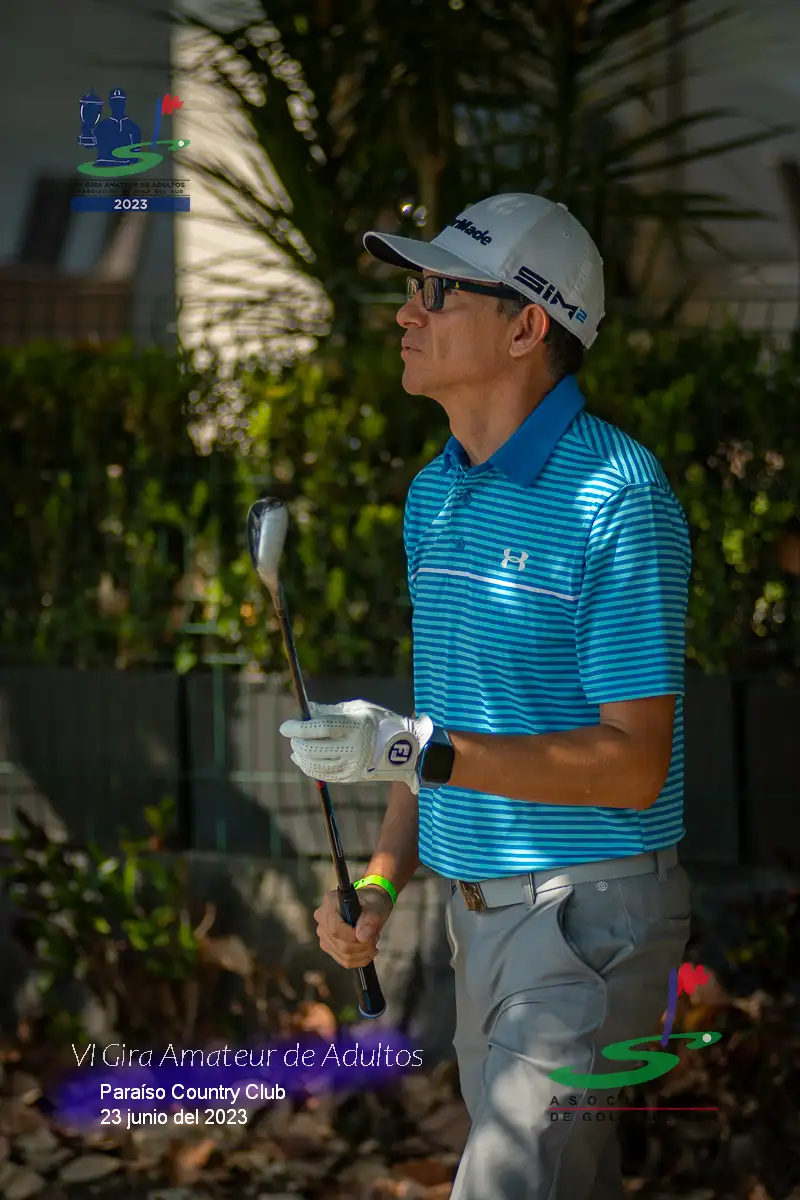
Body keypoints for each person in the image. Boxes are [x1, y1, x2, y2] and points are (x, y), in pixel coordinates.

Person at [279, 193, 692, 1200]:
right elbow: (439, 721)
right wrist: (382, 886)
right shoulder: (435, 492)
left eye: (435, 292)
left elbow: (634, 767)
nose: (403, 312)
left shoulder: (617, 495)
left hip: (588, 921)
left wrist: (415, 748)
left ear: (524, 327)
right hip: (479, 928)